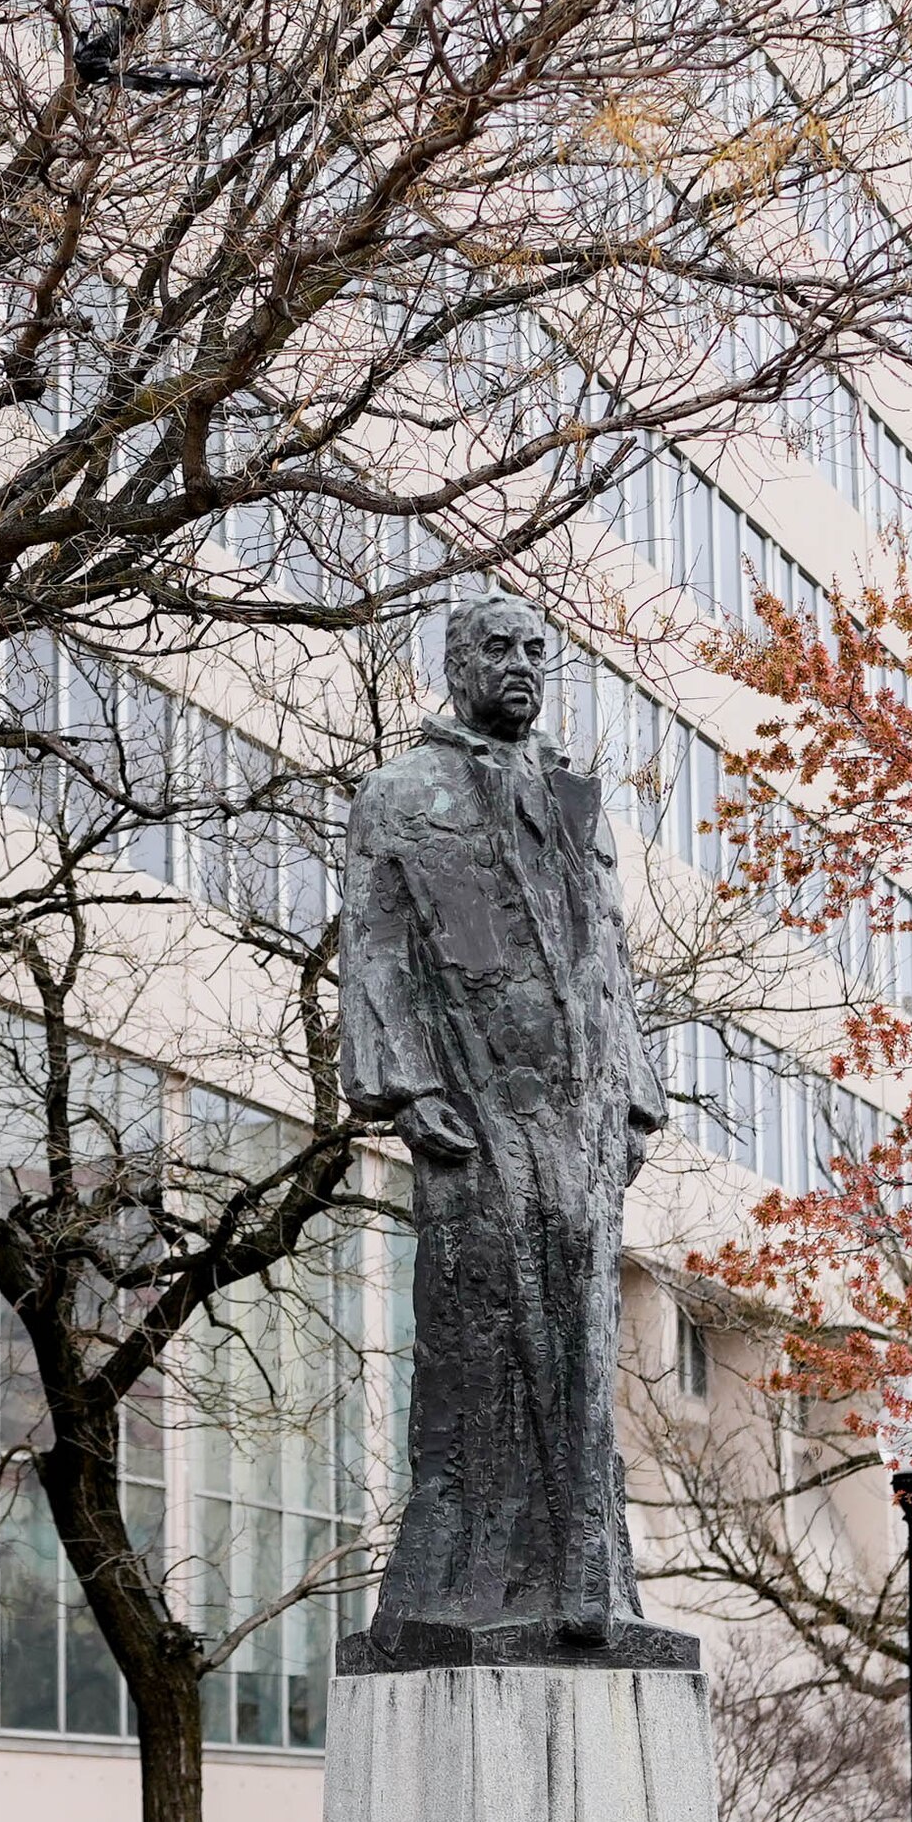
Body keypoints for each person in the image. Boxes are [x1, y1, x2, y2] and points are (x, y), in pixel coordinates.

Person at [336, 597, 684, 1664]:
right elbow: (375, 943)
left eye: (539, 648)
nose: (522, 665)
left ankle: (585, 1574)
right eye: (499, 647)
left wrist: (632, 1097)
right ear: (454, 665)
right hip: (471, 1098)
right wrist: (399, 1084)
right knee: (479, 1324)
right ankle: (463, 1576)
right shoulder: (398, 794)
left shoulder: (579, 803)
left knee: (579, 1332)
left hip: (577, 1109)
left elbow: (609, 960)